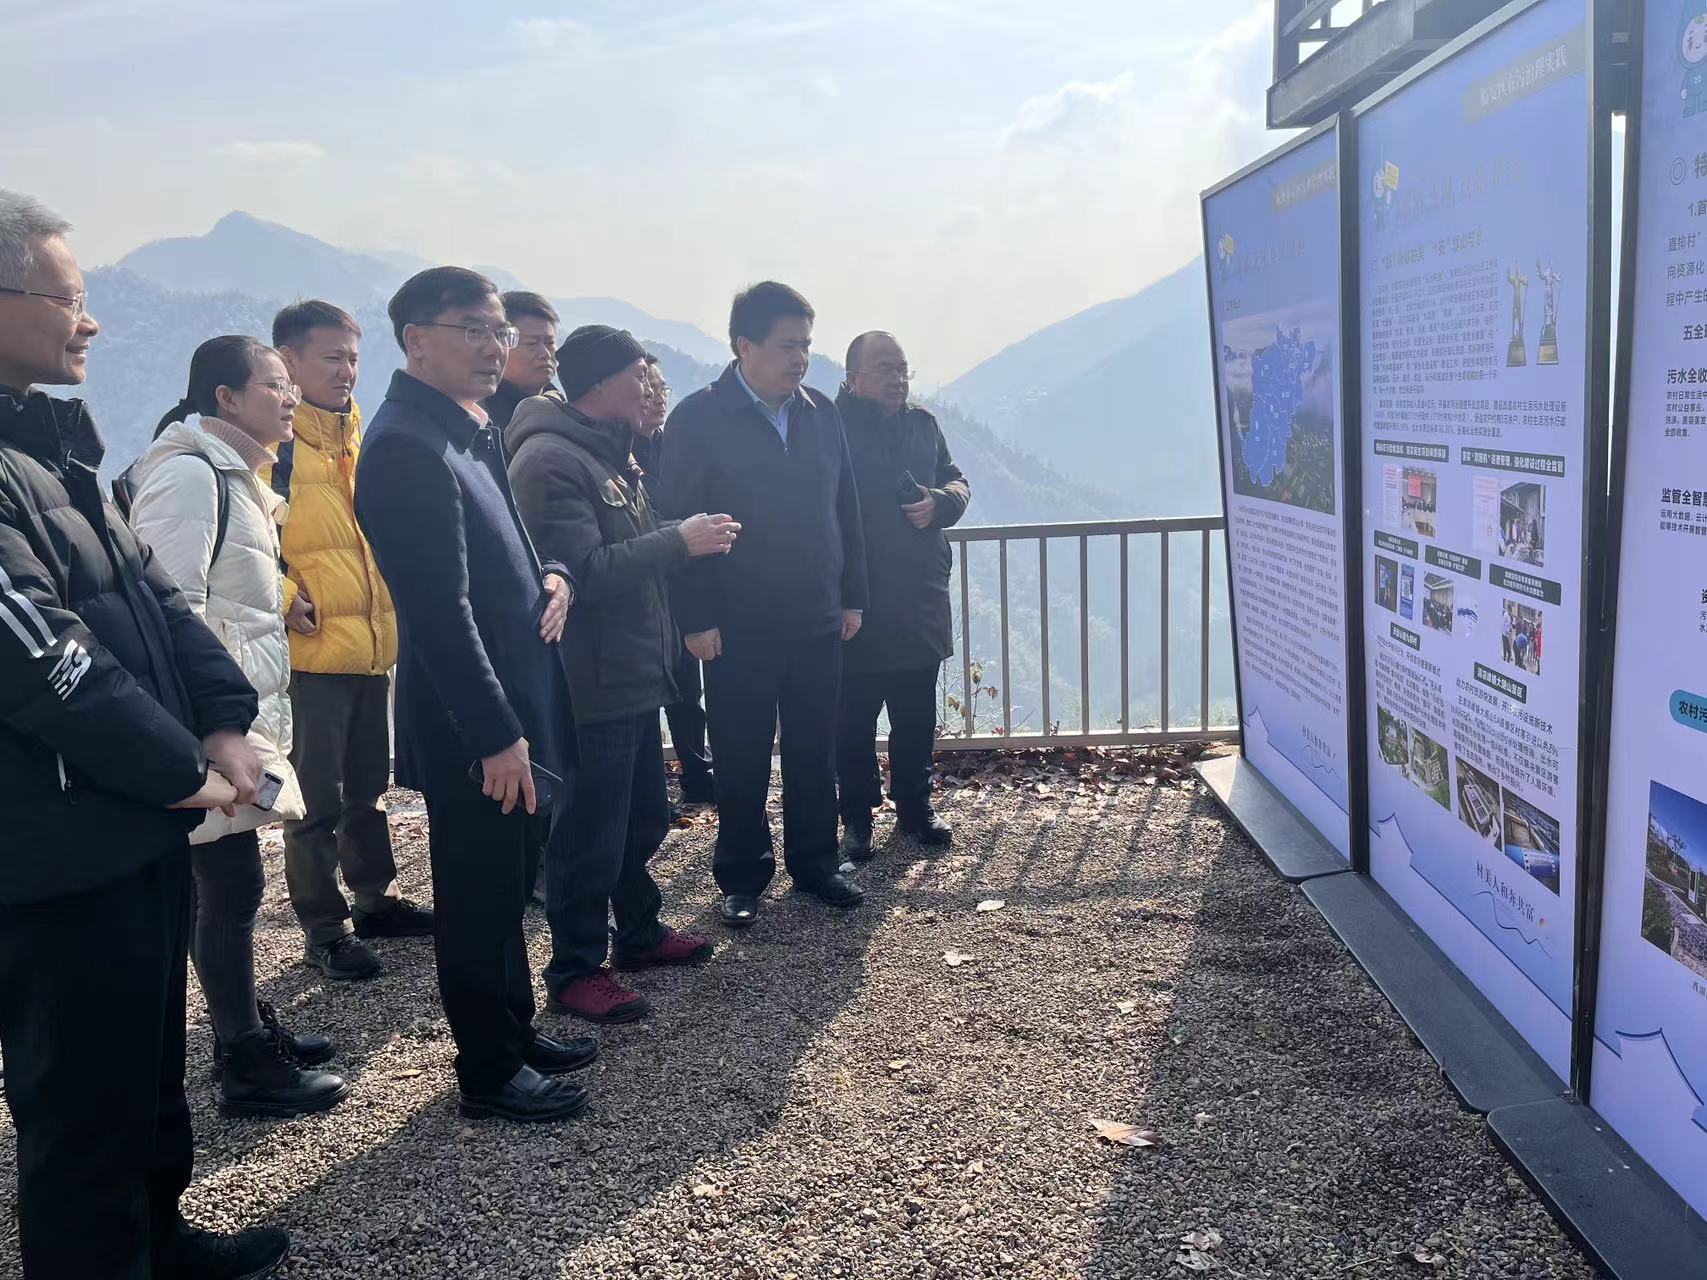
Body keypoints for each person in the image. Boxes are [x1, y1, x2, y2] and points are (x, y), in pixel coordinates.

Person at [0, 190, 289, 1278]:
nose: (92, 320)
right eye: (69, 299)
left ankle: (159, 1239)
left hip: (131, 824)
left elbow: (152, 593)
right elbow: (39, 654)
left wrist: (222, 720)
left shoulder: (49, 444)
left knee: (146, 1067)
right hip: (54, 845)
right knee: (79, 1100)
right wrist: (180, 769)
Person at [355, 266, 595, 1122]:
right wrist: (495, 734)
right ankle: (487, 1070)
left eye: (500, 331)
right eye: (474, 330)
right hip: (477, 725)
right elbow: (439, 613)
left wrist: (555, 574)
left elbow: (507, 551)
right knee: (478, 894)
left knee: (508, 883)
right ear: (416, 340)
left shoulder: (464, 428)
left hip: (516, 704)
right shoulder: (405, 447)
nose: (495, 348)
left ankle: (514, 1031)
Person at [129, 335, 350, 1119]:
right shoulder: (190, 477)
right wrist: (206, 731)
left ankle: (245, 1026)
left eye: (290, 385)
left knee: (227, 885)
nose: (289, 398)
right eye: (272, 384)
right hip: (207, 723)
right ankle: (244, 1059)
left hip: (233, 711)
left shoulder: (234, 477)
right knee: (228, 887)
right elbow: (166, 612)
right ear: (224, 397)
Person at [507, 325, 734, 1021]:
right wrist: (679, 542)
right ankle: (575, 969)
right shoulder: (549, 460)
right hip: (593, 680)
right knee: (590, 832)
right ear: (602, 382)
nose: (649, 388)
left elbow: (624, 546)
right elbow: (580, 572)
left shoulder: (608, 449)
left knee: (642, 818)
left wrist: (675, 537)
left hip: (635, 671)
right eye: (639, 376)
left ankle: (637, 930)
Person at [653, 282, 869, 929]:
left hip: (816, 616)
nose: (800, 357)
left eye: (806, 344)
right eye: (786, 345)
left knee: (813, 749)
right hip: (735, 624)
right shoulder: (698, 418)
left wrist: (852, 596)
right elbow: (677, 523)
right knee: (741, 754)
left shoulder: (820, 413)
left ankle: (815, 863)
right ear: (744, 346)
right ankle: (742, 875)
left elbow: (846, 510)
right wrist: (694, 619)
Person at [272, 300, 432, 983]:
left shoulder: (359, 434)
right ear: (288, 361)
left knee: (368, 788)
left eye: (354, 357)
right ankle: (324, 929)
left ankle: (373, 901)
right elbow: (243, 538)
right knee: (315, 801)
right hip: (311, 653)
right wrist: (285, 596)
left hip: (371, 643)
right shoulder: (277, 444)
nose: (348, 371)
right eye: (332, 357)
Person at [834, 332, 970, 858]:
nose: (897, 378)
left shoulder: (922, 423)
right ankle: (857, 816)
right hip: (858, 598)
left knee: (916, 716)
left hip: (919, 595)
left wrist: (940, 502)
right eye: (884, 369)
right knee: (852, 720)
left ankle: (915, 806)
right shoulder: (832, 428)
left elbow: (955, 479)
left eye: (902, 368)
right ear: (853, 378)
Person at [635, 354, 714, 806]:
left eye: (662, 388)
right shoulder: (619, 450)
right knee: (647, 694)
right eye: (648, 389)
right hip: (644, 588)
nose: (657, 398)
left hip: (684, 584)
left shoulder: (674, 444)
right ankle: (651, 790)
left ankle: (697, 773)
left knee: (688, 689)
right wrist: (679, 532)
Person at [482, 290, 560, 429]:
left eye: (549, 343)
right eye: (532, 343)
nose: (545, 354)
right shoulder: (480, 419)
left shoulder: (566, 412)